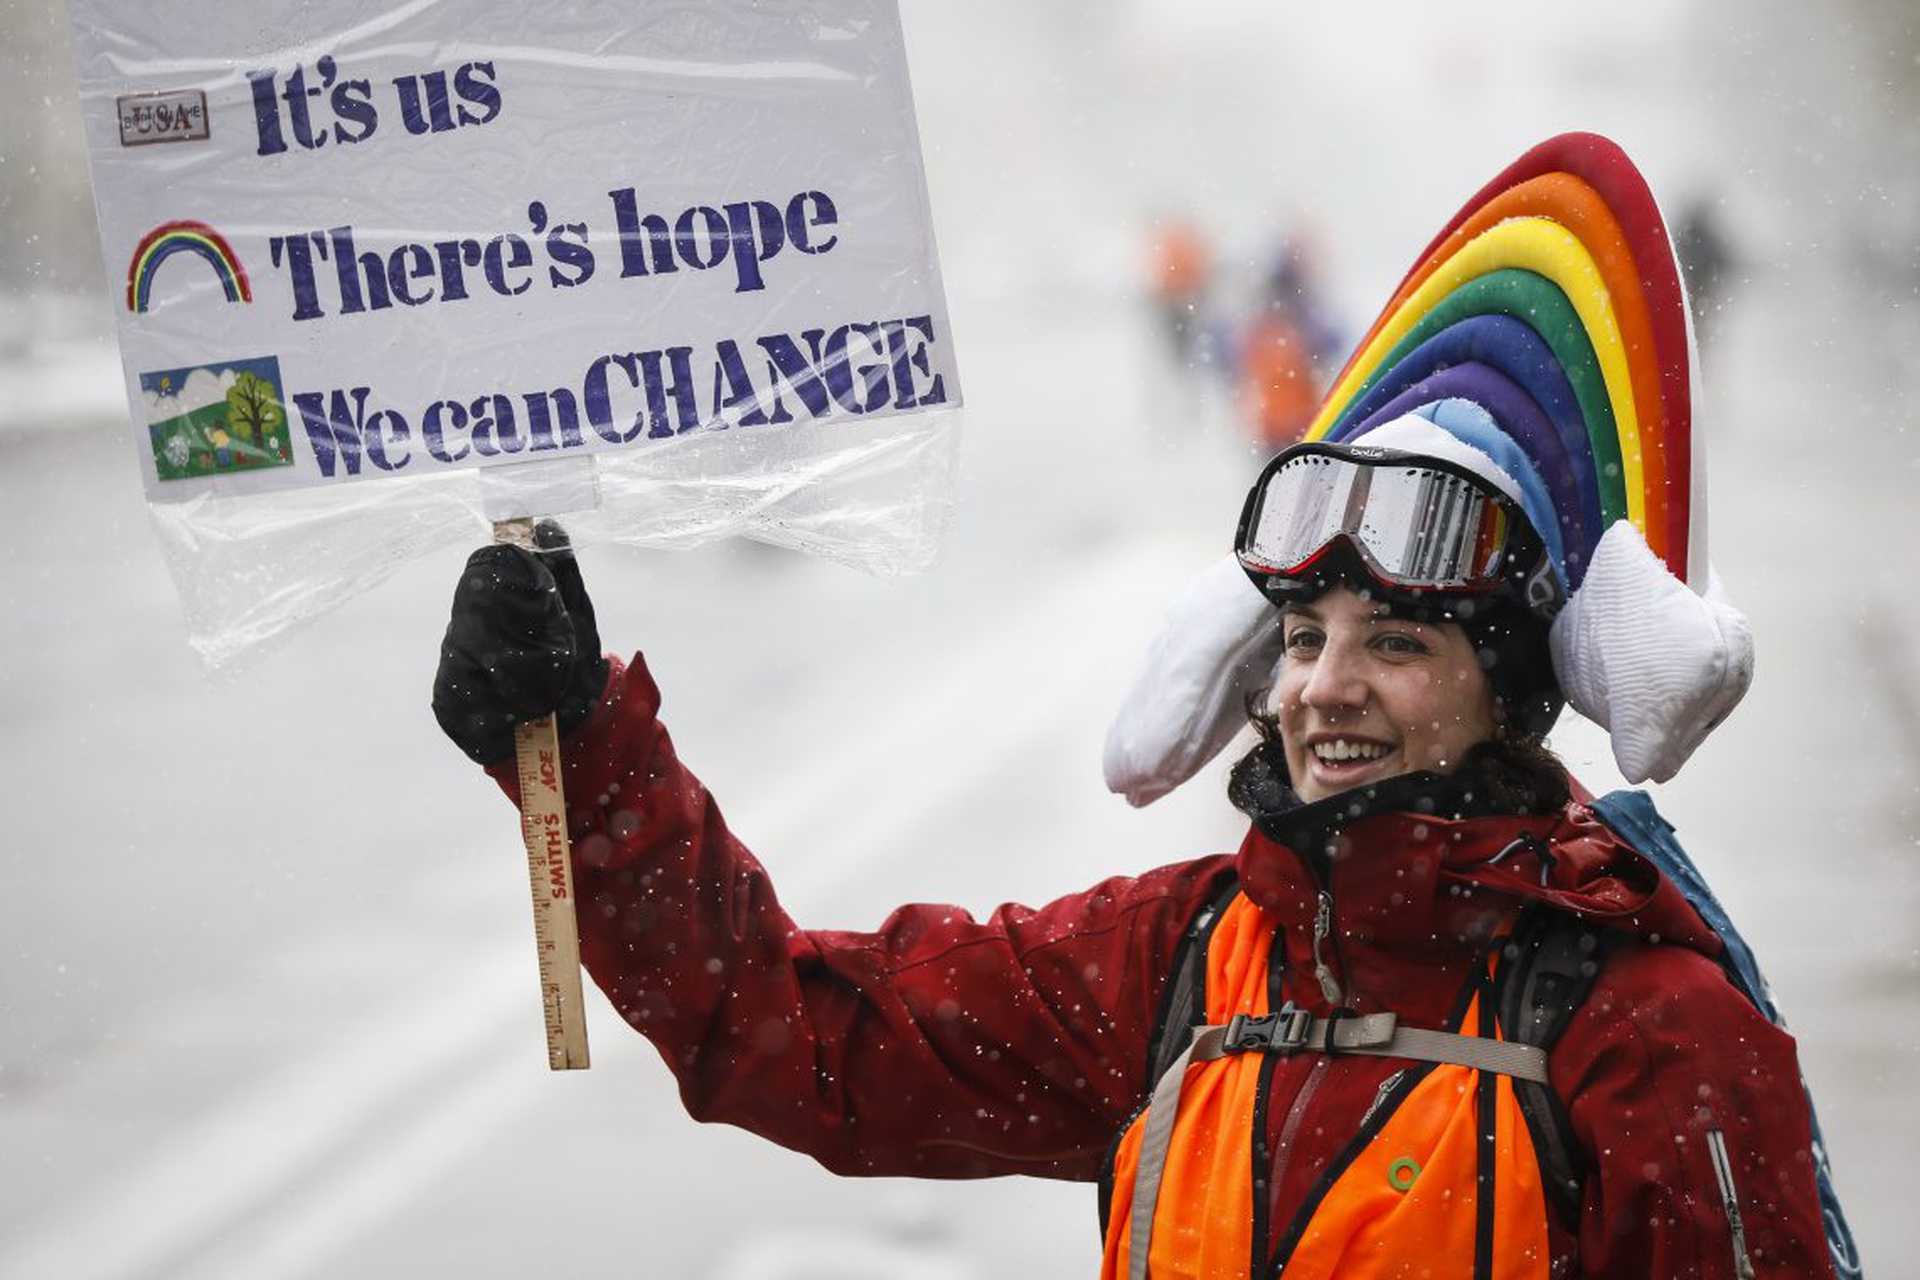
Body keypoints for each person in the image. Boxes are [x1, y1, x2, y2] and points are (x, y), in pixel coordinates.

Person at [431, 421, 1842, 1278]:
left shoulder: (1654, 1030)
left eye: (1396, 645)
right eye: (1301, 640)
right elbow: (793, 1037)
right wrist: (582, 745)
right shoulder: (1183, 960)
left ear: (1509, 697)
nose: (1319, 688)